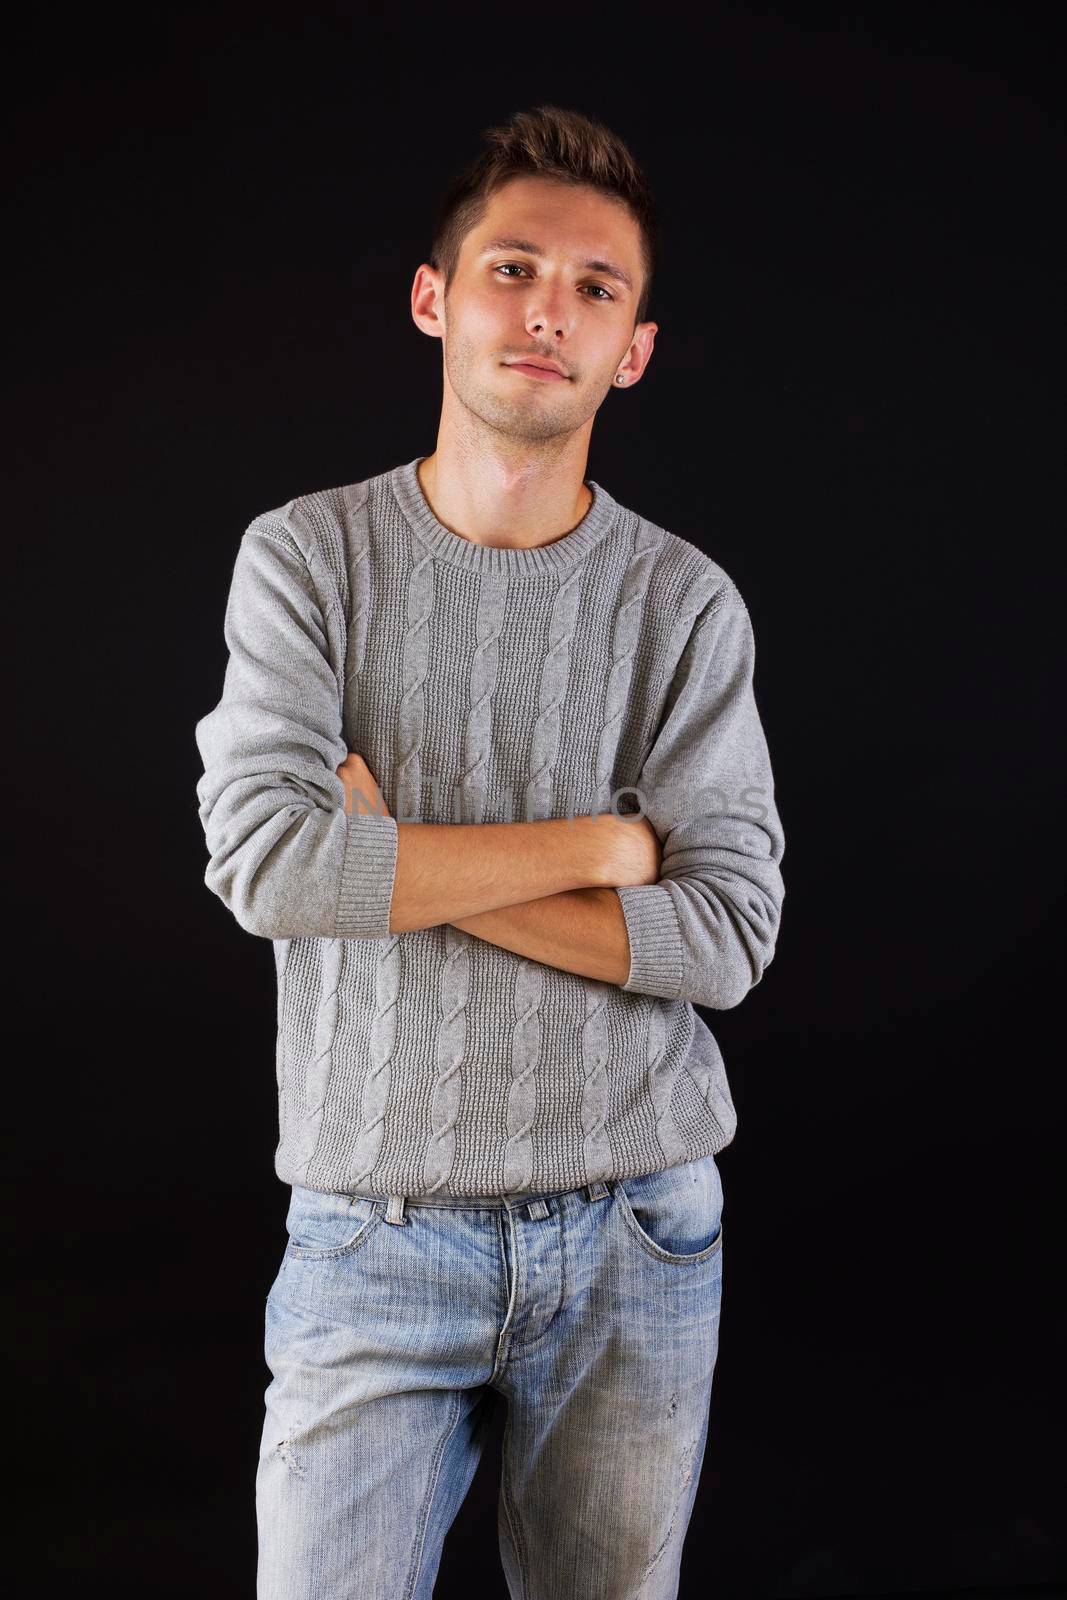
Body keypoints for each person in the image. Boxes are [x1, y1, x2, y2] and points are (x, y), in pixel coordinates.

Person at [194, 102, 786, 1600]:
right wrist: (596, 847)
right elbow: (268, 867)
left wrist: (392, 860)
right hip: (371, 1228)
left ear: (633, 350)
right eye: (515, 268)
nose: (550, 311)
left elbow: (725, 940)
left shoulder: (684, 606)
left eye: (597, 289)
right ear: (434, 299)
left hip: (640, 1227)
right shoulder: (307, 561)